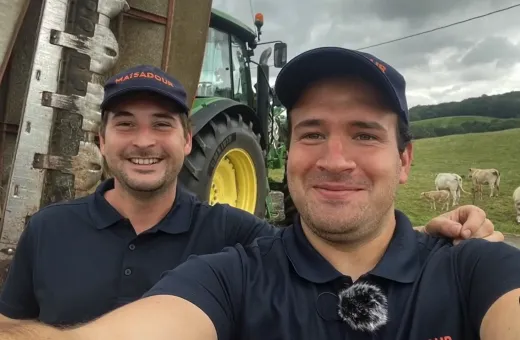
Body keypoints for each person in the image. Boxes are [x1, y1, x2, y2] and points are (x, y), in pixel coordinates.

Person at [0, 59, 507, 338]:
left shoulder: (231, 231)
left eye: (365, 135)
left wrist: (425, 241)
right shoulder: (231, 273)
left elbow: (339, 244)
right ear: (100, 140)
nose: (335, 159)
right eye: (310, 134)